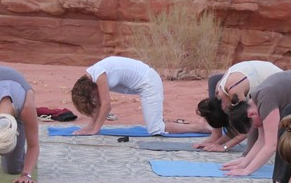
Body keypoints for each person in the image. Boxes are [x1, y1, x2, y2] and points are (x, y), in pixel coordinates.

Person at [222, 69, 291, 177]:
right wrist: (244, 163)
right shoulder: (255, 100)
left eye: (255, 125)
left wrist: (247, 171)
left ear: (251, 115)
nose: (258, 126)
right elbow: (261, 140)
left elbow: (271, 145)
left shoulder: (266, 100)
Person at [70, 56, 210, 135]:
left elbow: (106, 106)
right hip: (141, 84)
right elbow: (98, 104)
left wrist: (94, 130)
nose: (95, 98)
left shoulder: (99, 75)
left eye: (92, 97)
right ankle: (198, 126)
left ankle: (199, 127)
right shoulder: (91, 77)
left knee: (156, 129)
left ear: (89, 90)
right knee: (155, 124)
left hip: (149, 82)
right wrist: (90, 126)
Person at [193, 61, 283, 152]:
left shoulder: (235, 92)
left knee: (255, 119)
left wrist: (224, 147)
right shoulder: (219, 89)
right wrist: (216, 143)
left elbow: (247, 126)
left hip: (279, 80)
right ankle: (215, 136)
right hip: (259, 70)